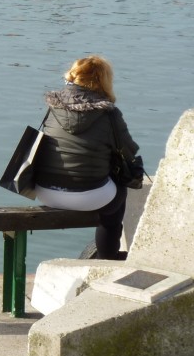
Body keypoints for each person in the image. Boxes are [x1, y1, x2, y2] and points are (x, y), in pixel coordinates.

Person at [32, 55, 141, 260]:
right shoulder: (109, 114)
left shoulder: (53, 108)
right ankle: (108, 255)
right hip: (89, 197)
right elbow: (129, 150)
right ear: (104, 81)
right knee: (120, 190)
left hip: (45, 192)